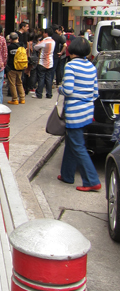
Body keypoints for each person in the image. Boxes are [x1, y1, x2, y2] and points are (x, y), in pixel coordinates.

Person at [57, 37, 101, 192]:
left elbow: (68, 90)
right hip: (87, 112)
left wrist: (60, 89)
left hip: (74, 112)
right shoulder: (91, 66)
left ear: (72, 50)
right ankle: (67, 175)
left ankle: (92, 180)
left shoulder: (71, 66)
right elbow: (95, 93)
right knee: (71, 143)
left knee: (78, 146)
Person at [33, 27, 55, 99]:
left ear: (46, 34)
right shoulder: (53, 41)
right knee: (48, 79)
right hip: (50, 62)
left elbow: (35, 47)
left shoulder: (44, 42)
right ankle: (49, 94)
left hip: (42, 62)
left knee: (41, 78)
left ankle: (39, 94)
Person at [6, 32, 26, 105]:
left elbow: (7, 56)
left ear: (10, 39)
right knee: (19, 83)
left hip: (12, 67)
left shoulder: (10, 47)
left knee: (12, 84)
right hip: (20, 67)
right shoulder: (22, 46)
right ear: (18, 38)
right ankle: (22, 98)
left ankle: (15, 99)